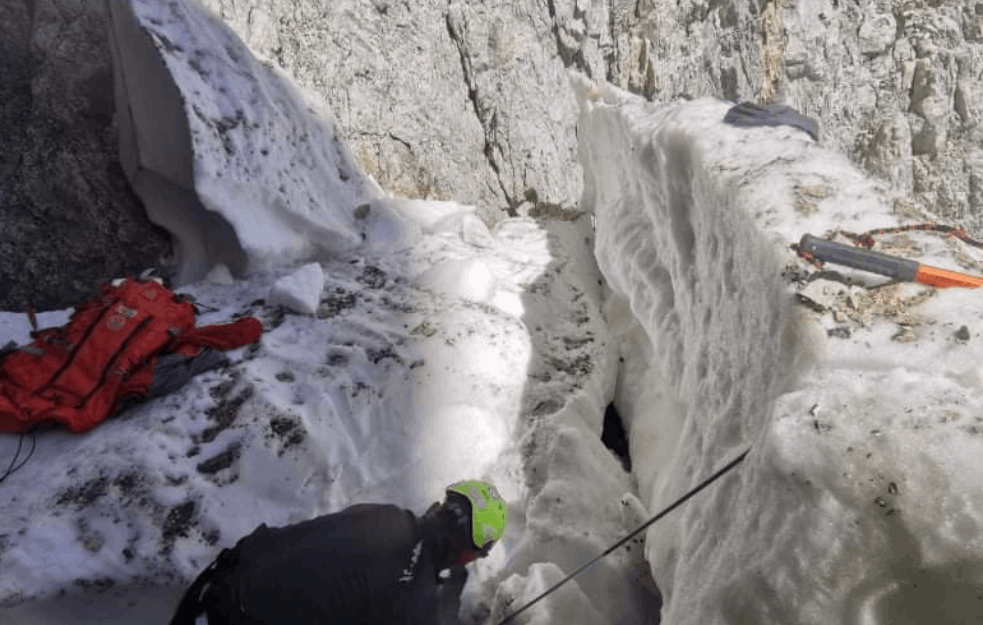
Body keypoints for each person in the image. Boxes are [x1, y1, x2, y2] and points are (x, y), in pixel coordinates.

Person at [168, 480, 508, 625]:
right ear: (466, 553)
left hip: (213, 585)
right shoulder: (415, 601)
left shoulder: (381, 513)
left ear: (438, 507)